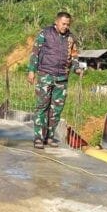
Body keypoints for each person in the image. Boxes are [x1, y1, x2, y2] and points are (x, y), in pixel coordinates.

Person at [27, 11, 84, 149]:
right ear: (56, 22)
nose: (65, 26)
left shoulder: (71, 38)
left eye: (68, 24)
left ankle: (50, 137)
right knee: (42, 107)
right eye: (63, 24)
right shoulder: (45, 33)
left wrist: (77, 68)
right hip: (46, 75)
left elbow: (74, 56)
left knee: (56, 110)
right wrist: (31, 71)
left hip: (62, 79)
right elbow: (35, 52)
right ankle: (39, 138)